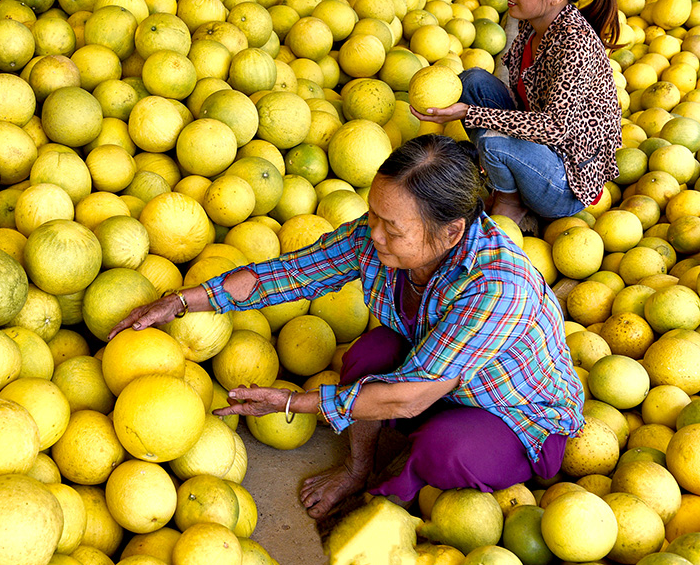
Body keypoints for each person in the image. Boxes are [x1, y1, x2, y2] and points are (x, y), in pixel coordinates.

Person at [109, 135, 584, 520]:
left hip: (515, 411)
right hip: (438, 375)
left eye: (392, 228)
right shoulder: (378, 237)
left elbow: (410, 393)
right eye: (373, 214)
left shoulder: (499, 286)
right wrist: (178, 303)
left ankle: (390, 492)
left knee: (444, 449)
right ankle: (359, 467)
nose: (373, 234)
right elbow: (290, 273)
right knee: (367, 356)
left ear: (451, 232)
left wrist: (293, 402)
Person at [412, 0, 622, 228]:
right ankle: (508, 180)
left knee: (493, 142)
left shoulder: (575, 46)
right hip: (541, 146)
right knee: (472, 82)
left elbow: (555, 128)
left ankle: (510, 200)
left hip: (566, 181)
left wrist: (470, 114)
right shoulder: (534, 21)